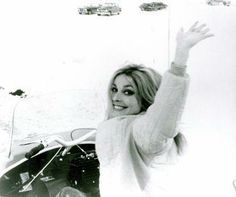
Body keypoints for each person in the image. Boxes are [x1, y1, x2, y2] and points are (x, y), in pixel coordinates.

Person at [56, 21, 213, 197]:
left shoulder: (143, 130)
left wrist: (179, 61)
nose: (116, 97)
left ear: (147, 96)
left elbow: (164, 113)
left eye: (128, 92)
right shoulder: (119, 127)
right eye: (115, 89)